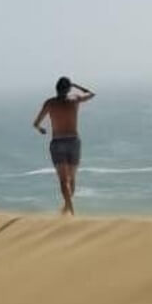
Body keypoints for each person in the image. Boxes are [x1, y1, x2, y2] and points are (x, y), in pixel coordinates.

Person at [32, 77, 95, 215]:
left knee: (63, 179)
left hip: (58, 142)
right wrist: (76, 85)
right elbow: (91, 93)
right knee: (71, 178)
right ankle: (69, 208)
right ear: (68, 88)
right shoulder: (75, 99)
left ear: (56, 88)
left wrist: (40, 129)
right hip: (73, 141)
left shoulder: (50, 103)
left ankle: (69, 208)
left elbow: (36, 123)